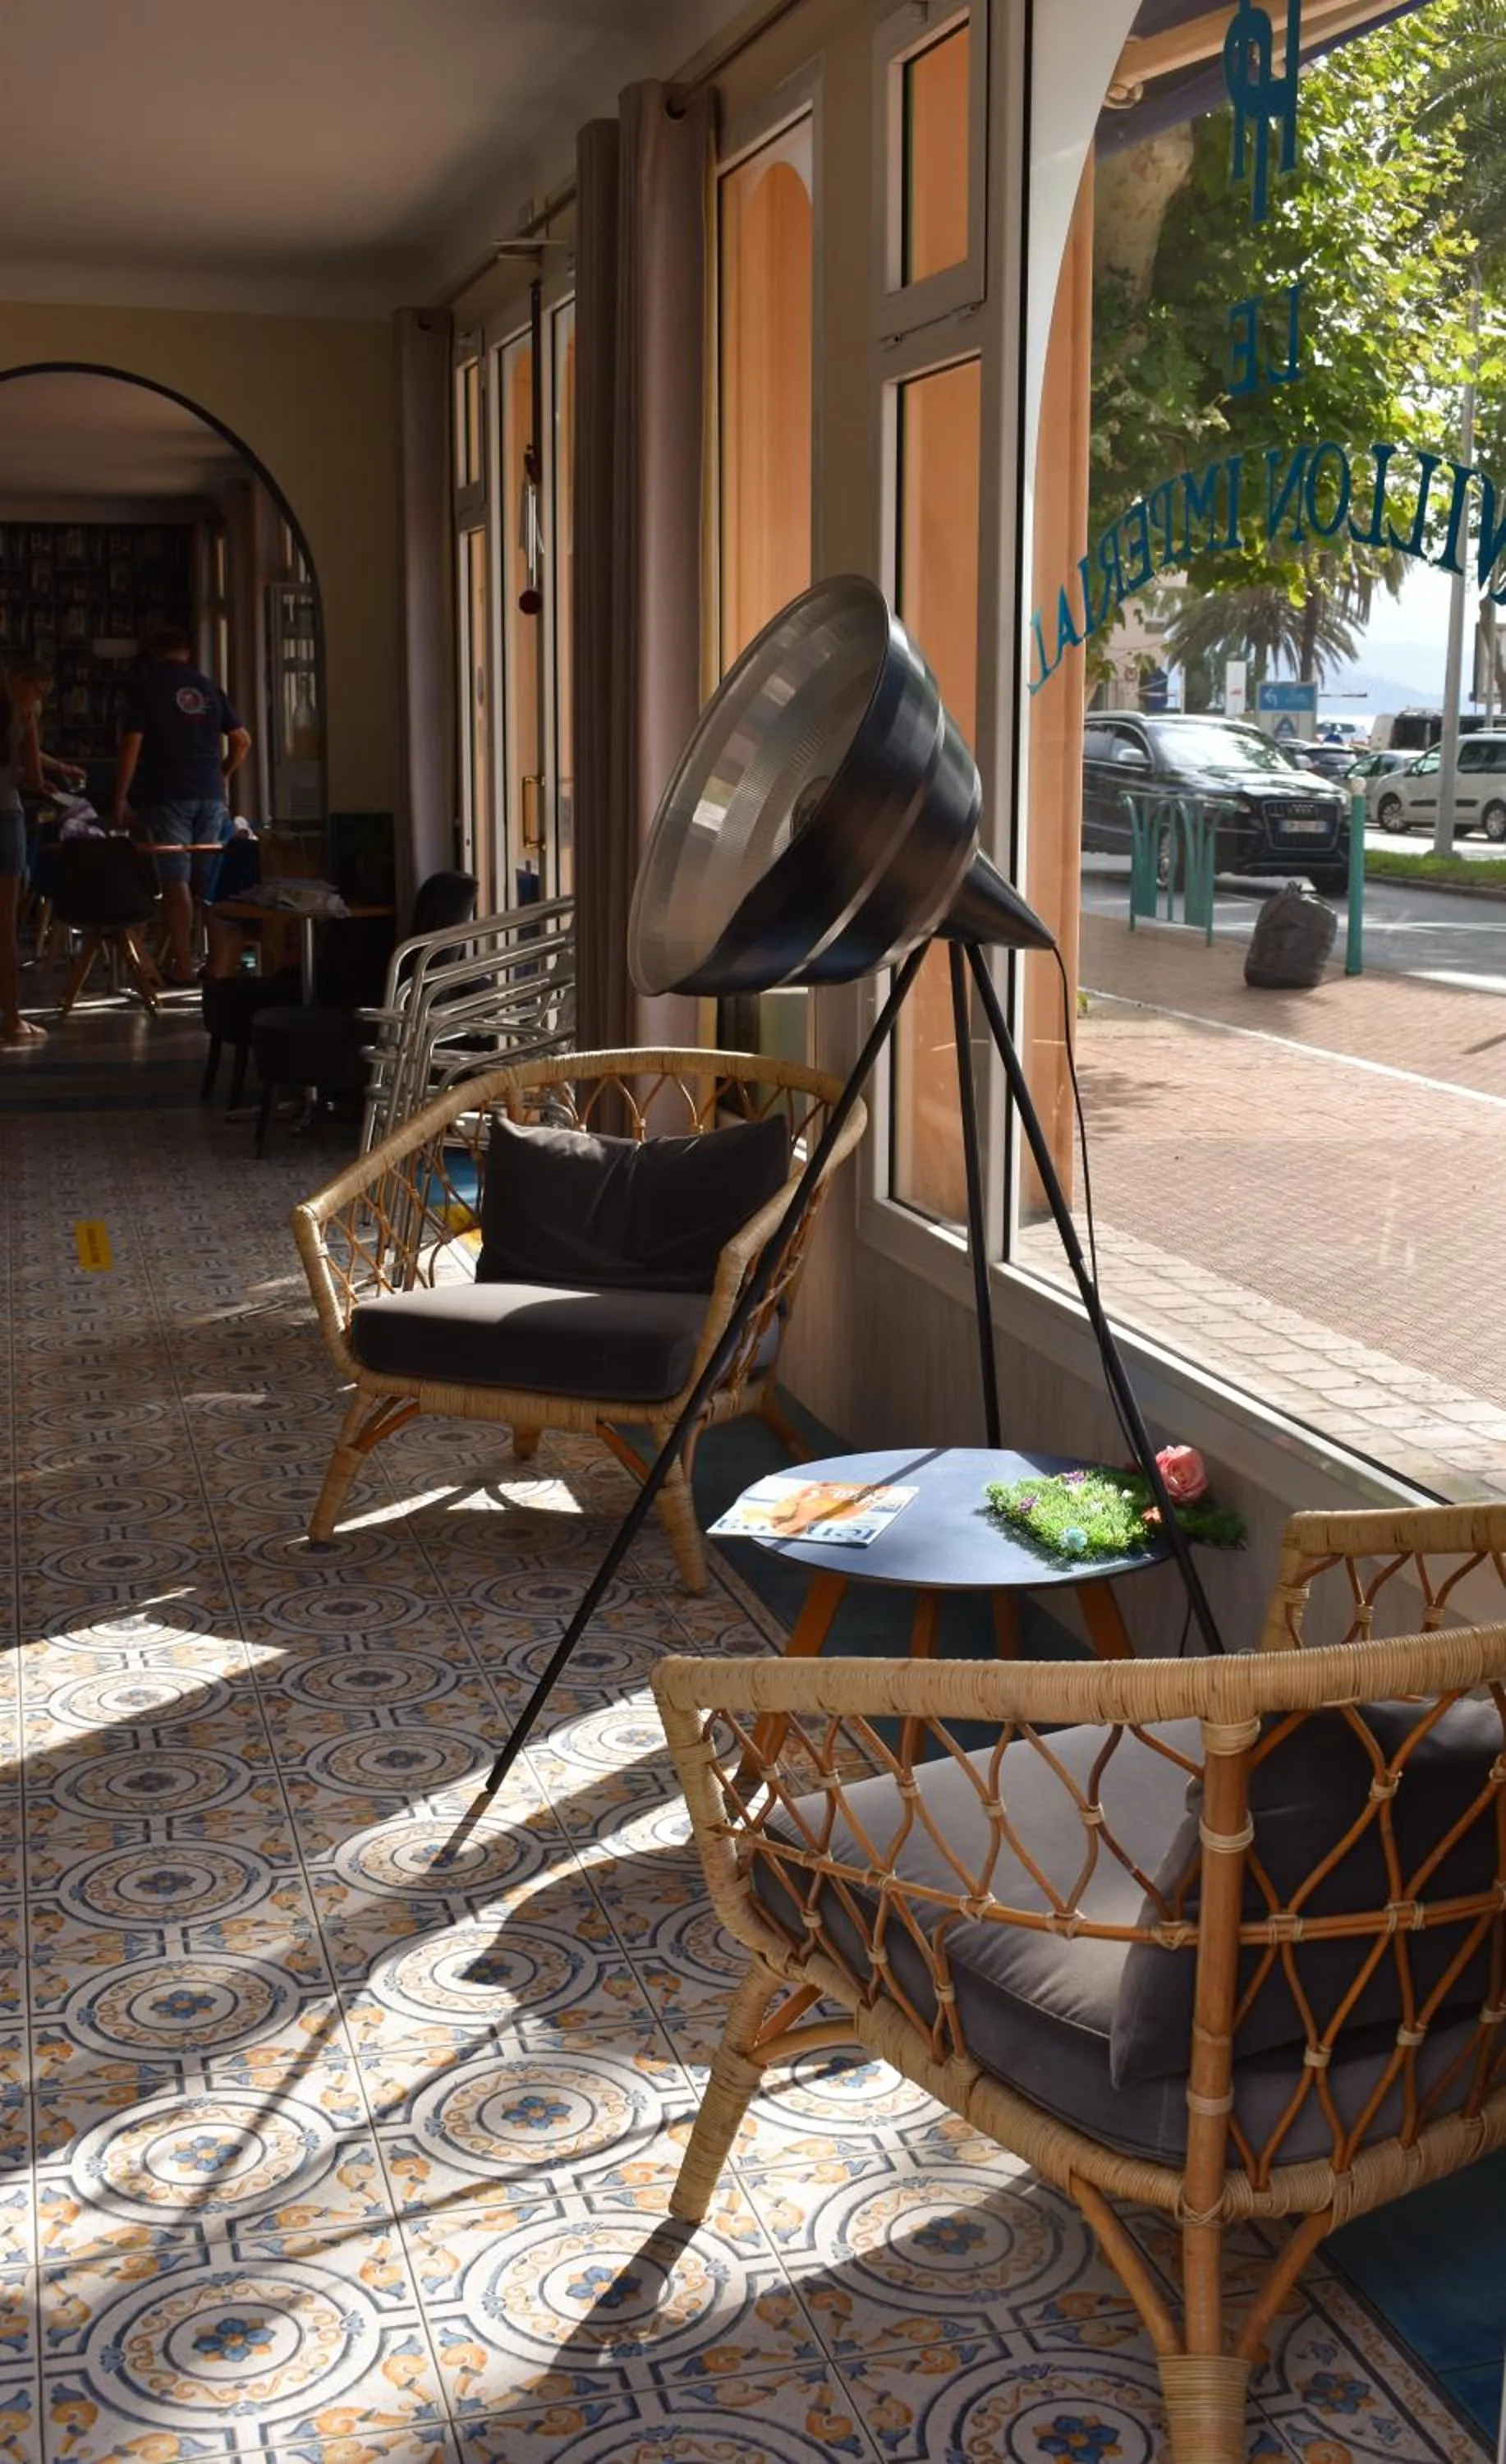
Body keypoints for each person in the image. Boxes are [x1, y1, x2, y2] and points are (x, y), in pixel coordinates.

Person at [115, 629, 251, 986]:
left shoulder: (148, 688)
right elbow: (242, 741)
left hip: (168, 793)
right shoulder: (208, 687)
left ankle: (184, 966)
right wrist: (222, 774)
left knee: (176, 881)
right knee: (208, 882)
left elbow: (132, 744)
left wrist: (120, 796)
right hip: (210, 795)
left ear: (154, 652)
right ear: (188, 651)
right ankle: (218, 965)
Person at [0, 663, 46, 1047]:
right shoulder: (21, 705)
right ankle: (11, 1019)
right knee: (5, 927)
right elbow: (33, 776)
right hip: (4, 812)